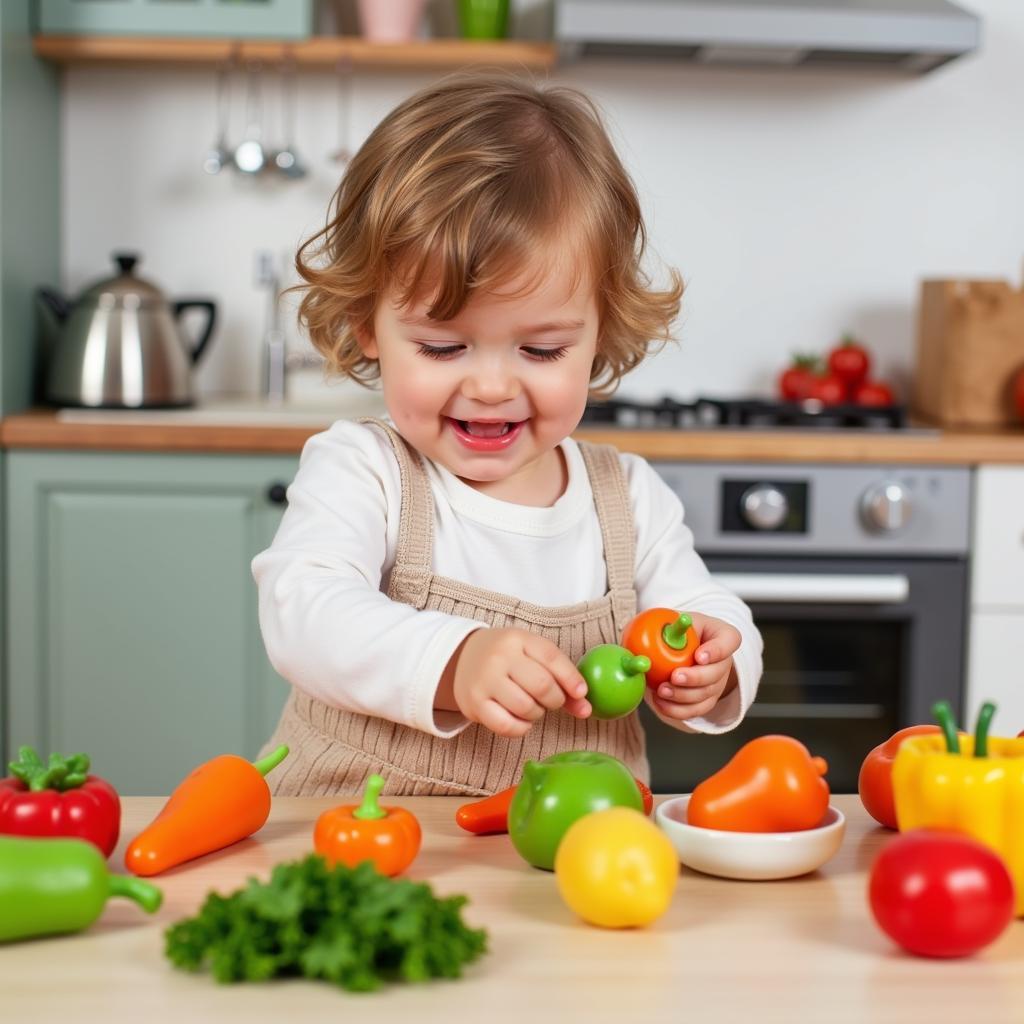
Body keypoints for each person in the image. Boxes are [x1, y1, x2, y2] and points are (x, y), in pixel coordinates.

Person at [252, 72, 763, 797]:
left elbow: (704, 609)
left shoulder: (628, 498)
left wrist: (718, 661)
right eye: (442, 347)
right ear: (369, 325)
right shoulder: (363, 470)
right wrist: (453, 662)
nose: (492, 387)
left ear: (600, 334)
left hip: (568, 864)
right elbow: (304, 612)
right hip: (356, 835)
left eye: (542, 351)